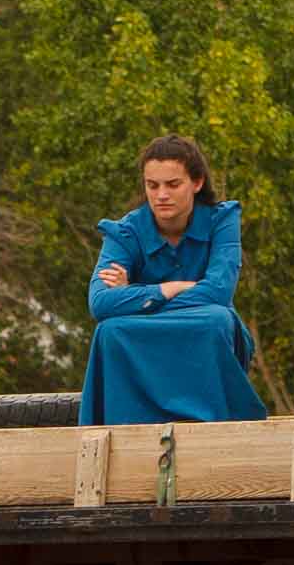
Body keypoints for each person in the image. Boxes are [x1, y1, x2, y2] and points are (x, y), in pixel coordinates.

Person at [80, 134, 267, 426]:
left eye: (172, 184)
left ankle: (215, 422)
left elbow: (217, 293)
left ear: (197, 182)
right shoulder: (124, 232)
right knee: (110, 330)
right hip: (145, 334)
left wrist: (133, 295)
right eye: (152, 185)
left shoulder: (222, 220)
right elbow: (100, 303)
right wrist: (168, 288)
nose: (161, 195)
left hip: (204, 324)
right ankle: (122, 427)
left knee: (215, 319)